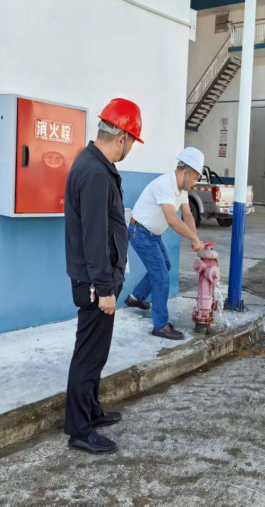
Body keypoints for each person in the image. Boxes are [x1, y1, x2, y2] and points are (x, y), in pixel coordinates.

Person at [64, 98, 144, 454]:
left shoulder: (95, 164)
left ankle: (92, 411)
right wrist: (104, 288)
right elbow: (94, 236)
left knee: (97, 352)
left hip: (99, 278)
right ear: (122, 138)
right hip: (96, 282)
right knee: (88, 355)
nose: (131, 148)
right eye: (132, 142)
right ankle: (80, 430)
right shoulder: (95, 172)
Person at [125, 147, 205, 340]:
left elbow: (187, 215)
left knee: (164, 266)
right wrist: (194, 239)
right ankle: (160, 326)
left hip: (152, 234)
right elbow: (172, 219)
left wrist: (195, 238)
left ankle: (136, 298)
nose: (194, 182)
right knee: (160, 277)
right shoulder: (165, 185)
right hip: (140, 233)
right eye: (195, 178)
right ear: (185, 172)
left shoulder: (182, 189)